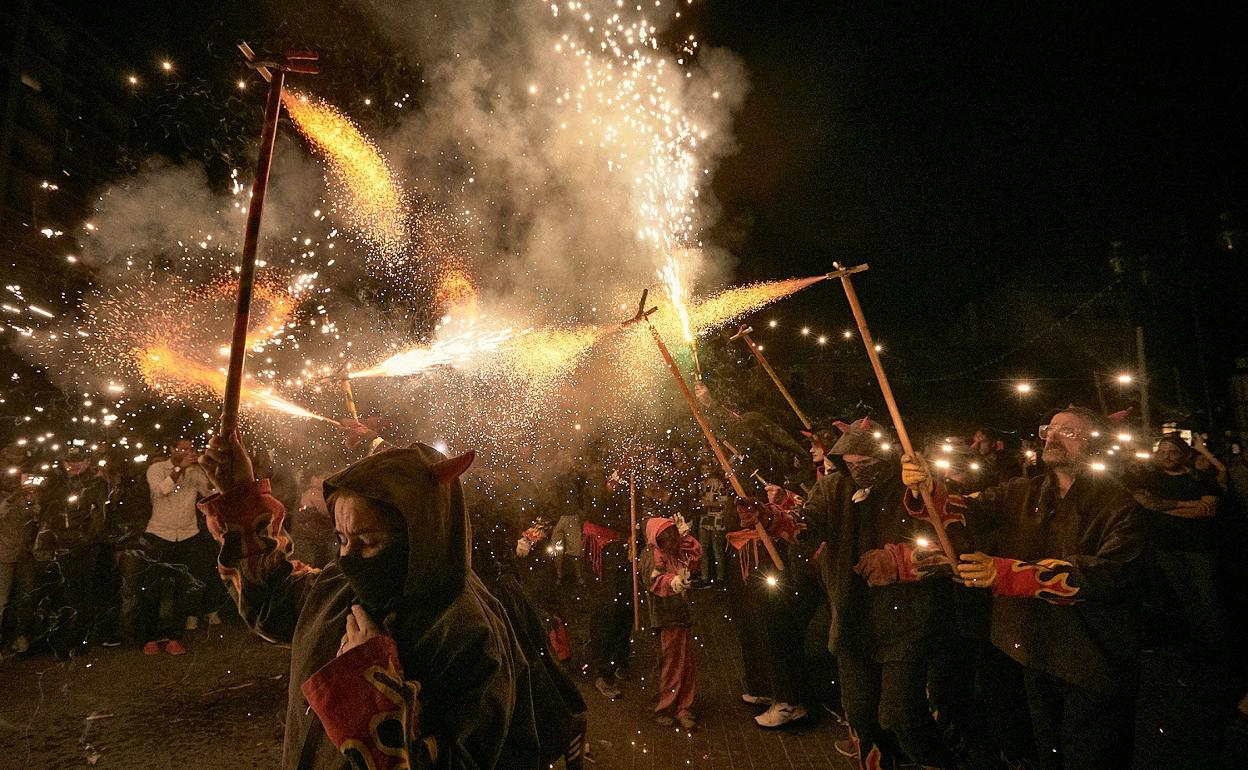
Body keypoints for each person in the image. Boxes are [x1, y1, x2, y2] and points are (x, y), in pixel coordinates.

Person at [198, 430, 540, 769]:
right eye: (341, 539)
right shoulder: (339, 584)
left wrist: (373, 689)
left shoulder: (466, 633)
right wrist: (240, 494)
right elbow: (273, 602)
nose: (349, 558)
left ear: (420, 537)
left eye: (368, 541)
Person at [904, 406, 1144, 769]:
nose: (1052, 436)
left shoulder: (1119, 505)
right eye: (1051, 428)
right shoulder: (1023, 491)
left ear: (1095, 446)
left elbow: (1107, 576)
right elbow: (965, 510)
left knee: (1092, 756)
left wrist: (1011, 574)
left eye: (1069, 432)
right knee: (1045, 752)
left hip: (1092, 657)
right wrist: (928, 487)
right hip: (1034, 649)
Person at [815, 419, 954, 768]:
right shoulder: (833, 488)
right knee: (860, 715)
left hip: (906, 621)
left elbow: (951, 546)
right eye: (852, 458)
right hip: (853, 619)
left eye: (867, 457)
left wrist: (899, 561)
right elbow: (808, 522)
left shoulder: (917, 489)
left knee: (899, 714)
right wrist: (772, 518)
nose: (858, 465)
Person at [1126, 434, 1231, 668]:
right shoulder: (1150, 478)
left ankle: (1221, 649)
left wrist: (1165, 507)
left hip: (1199, 547)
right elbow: (1148, 503)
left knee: (1209, 597)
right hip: (1166, 547)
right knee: (1186, 597)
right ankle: (1200, 644)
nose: (1167, 457)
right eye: (1162, 452)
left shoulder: (1200, 478)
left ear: (1182, 454)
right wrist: (1187, 504)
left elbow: (1207, 510)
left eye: (1172, 452)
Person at [137, 439, 213, 654]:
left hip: (188, 534)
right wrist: (179, 468)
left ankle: (174, 637)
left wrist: (207, 468)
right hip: (160, 534)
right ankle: (150, 637)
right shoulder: (157, 469)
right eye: (183, 449)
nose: (188, 453)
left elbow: (209, 493)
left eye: (191, 450)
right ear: (171, 449)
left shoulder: (194, 472)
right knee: (153, 588)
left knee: (182, 588)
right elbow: (162, 491)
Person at [36, 445, 110, 654]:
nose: (73, 465)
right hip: (59, 544)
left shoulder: (96, 483)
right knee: (64, 593)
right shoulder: (58, 483)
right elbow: (49, 511)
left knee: (79, 593)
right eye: (69, 461)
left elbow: (99, 518)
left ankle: (76, 640)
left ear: (87, 461)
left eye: (78, 461)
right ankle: (64, 637)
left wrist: (83, 542)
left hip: (82, 546)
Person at [642, 514, 702, 730]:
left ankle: (684, 706)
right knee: (670, 664)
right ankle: (664, 706)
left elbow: (695, 557)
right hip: (666, 617)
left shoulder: (675, 551)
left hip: (681, 615)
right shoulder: (653, 555)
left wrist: (685, 535)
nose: (673, 541)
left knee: (685, 663)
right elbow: (653, 580)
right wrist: (673, 582)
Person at [583, 461, 637, 700]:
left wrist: (636, 533)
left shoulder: (631, 475)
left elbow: (636, 511)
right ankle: (601, 671)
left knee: (627, 606)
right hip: (602, 551)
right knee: (606, 608)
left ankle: (619, 658)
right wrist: (610, 486)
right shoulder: (596, 474)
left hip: (623, 548)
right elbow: (595, 508)